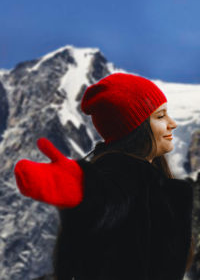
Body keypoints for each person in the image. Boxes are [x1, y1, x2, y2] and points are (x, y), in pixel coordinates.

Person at [14, 73, 194, 280]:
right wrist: (84, 185)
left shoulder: (155, 183)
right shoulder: (119, 181)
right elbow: (110, 201)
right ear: (136, 128)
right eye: (160, 116)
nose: (172, 123)